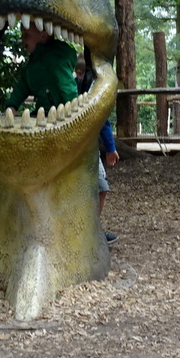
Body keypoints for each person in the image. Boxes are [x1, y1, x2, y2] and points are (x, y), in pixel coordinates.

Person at [75, 55, 120, 245]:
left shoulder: (93, 91)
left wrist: (110, 148)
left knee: (101, 188)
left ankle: (92, 229)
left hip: (91, 149)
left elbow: (102, 120)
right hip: (74, 151)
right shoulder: (70, 90)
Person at [4, 24, 77, 115]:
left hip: (59, 117)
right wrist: (12, 105)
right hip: (42, 114)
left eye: (26, 35)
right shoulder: (33, 64)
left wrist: (73, 113)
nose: (22, 39)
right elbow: (22, 86)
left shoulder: (56, 61)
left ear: (43, 35)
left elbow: (68, 88)